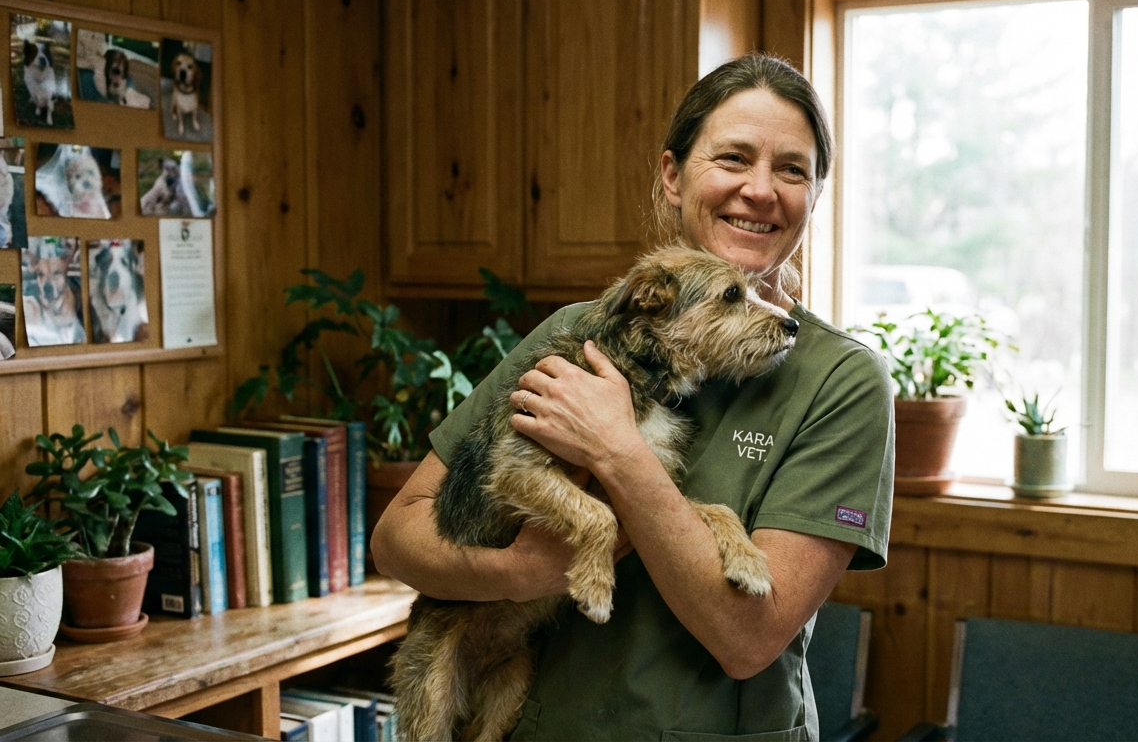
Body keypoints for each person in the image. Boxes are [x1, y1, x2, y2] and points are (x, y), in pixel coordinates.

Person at [371, 53, 895, 741]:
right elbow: (396, 539)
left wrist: (616, 450)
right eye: (733, 157)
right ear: (674, 176)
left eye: (792, 170)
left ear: (815, 197)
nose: (760, 190)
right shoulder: (576, 335)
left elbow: (748, 638)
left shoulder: (841, 383)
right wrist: (516, 571)